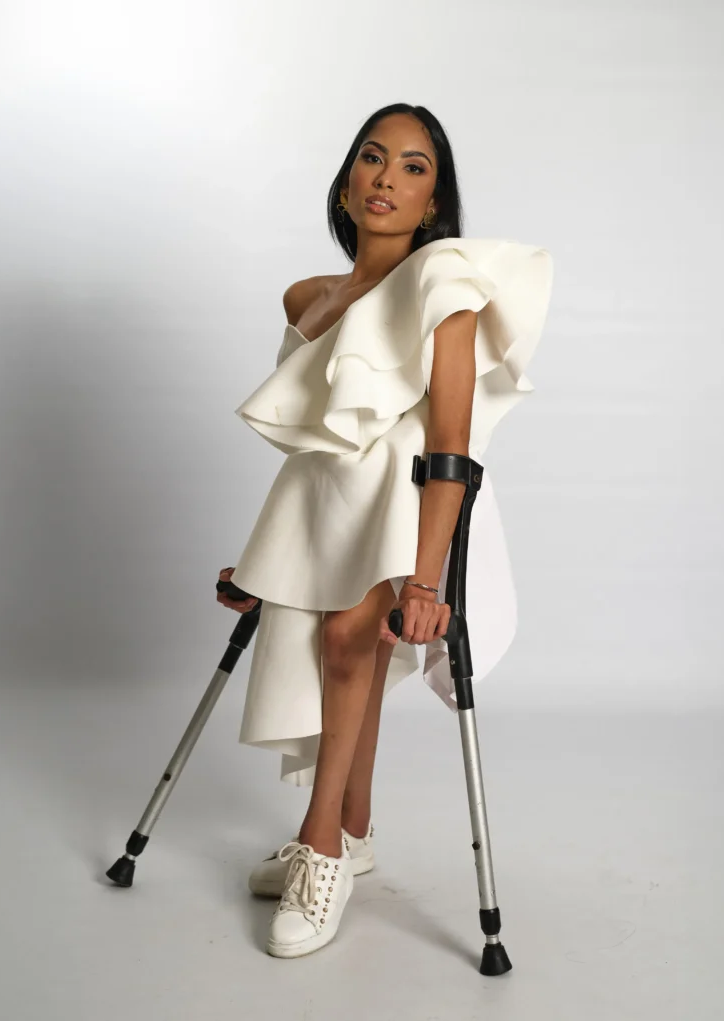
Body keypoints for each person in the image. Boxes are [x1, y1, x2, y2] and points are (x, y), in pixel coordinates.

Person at [216, 103, 553, 959]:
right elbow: (313, 445)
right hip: (325, 509)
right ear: (345, 179)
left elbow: (450, 444)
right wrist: (265, 566)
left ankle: (321, 848)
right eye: (373, 158)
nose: (387, 178)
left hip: (410, 508)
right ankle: (353, 827)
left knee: (347, 640)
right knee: (333, 649)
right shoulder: (308, 297)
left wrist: (429, 579)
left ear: (434, 203)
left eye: (413, 167)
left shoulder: (446, 287)